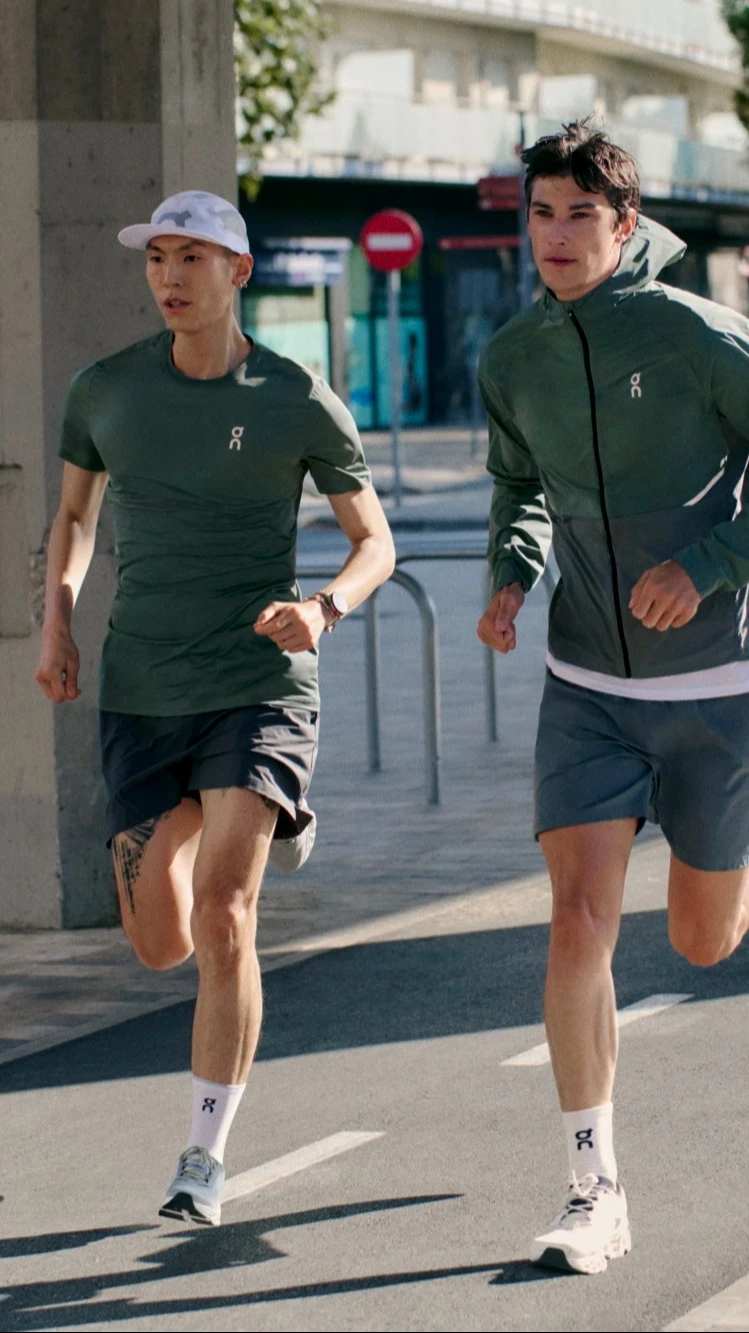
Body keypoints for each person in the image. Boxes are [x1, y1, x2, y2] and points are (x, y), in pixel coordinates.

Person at [35, 189, 395, 1227]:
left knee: (225, 914)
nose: (169, 274)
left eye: (192, 255)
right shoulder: (105, 391)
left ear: (237, 272)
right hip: (144, 689)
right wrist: (55, 622)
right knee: (159, 940)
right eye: (157, 256)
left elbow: (375, 541)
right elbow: (71, 517)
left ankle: (202, 1155)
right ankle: (242, 814)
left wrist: (324, 607)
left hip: (258, 681)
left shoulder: (294, 395)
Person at [477, 122, 749, 1274]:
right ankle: (594, 1186)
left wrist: (710, 566)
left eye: (578, 214)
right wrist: (506, 572)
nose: (554, 235)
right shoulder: (509, 360)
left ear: (623, 224)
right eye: (539, 213)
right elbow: (516, 487)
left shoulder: (697, 335)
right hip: (583, 681)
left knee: (698, 940)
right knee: (577, 918)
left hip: (718, 685)